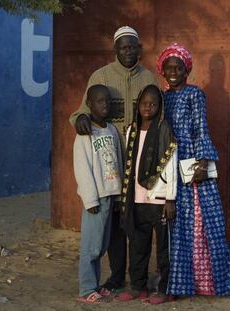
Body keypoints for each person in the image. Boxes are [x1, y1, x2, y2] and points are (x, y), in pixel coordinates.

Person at [69, 26, 158, 295]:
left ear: (139, 48)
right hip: (110, 166)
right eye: (123, 47)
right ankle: (117, 277)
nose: (128, 51)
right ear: (115, 49)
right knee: (116, 225)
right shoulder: (101, 76)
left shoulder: (148, 78)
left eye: (133, 46)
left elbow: (158, 115)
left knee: (137, 221)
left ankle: (137, 278)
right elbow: (81, 113)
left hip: (140, 161)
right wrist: (80, 119)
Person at [156, 43, 230, 296]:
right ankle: (179, 284)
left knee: (200, 225)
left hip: (192, 168)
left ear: (186, 70)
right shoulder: (161, 97)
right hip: (169, 167)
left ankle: (207, 284)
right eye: (168, 67)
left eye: (178, 67)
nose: (173, 72)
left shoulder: (195, 94)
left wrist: (203, 161)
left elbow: (201, 128)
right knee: (175, 226)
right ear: (162, 70)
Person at [117, 85, 177, 304]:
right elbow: (130, 167)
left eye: (153, 103)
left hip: (159, 200)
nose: (148, 107)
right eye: (144, 103)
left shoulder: (164, 130)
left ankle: (164, 289)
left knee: (163, 248)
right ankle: (137, 286)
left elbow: (170, 166)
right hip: (137, 199)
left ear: (160, 106)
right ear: (138, 105)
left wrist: (170, 198)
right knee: (138, 245)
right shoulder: (132, 131)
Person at [73, 85, 123, 304]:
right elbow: (82, 168)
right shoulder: (85, 134)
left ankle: (95, 284)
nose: (105, 105)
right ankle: (86, 289)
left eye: (108, 101)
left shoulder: (111, 130)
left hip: (112, 195)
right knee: (91, 246)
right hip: (96, 198)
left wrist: (120, 193)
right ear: (89, 105)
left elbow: (118, 161)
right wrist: (90, 198)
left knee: (102, 245)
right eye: (100, 101)